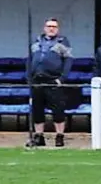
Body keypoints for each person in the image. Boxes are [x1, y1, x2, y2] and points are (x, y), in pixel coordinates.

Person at [27, 18, 73, 147]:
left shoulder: (63, 42)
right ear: (44, 28)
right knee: (37, 109)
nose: (51, 28)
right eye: (49, 26)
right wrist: (29, 78)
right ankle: (39, 136)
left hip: (53, 80)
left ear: (57, 29)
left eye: (54, 26)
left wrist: (62, 79)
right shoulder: (36, 42)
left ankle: (59, 136)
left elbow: (68, 61)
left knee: (58, 109)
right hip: (37, 80)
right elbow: (29, 60)